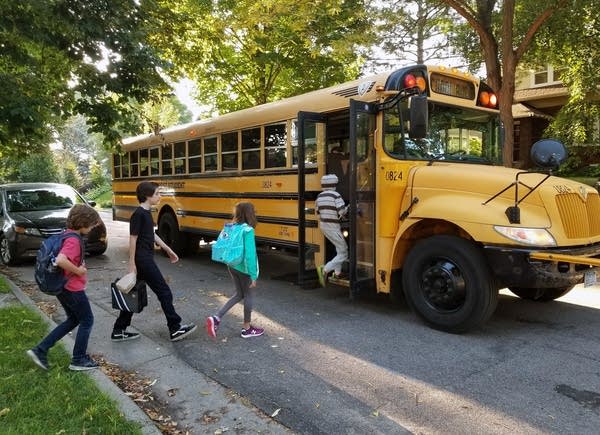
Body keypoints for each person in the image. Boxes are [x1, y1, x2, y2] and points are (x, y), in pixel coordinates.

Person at [111, 181, 197, 342]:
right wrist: (132, 264)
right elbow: (133, 239)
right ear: (147, 196)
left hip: (144, 259)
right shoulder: (138, 214)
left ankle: (119, 329)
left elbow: (152, 235)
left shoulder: (146, 213)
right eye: (157, 193)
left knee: (132, 291)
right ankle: (175, 327)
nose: (160, 196)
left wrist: (168, 249)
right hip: (142, 260)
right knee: (164, 292)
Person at [27, 204, 101, 371]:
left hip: (63, 287)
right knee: (87, 320)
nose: (93, 227)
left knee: (74, 319)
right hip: (72, 288)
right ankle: (79, 359)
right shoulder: (74, 240)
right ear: (83, 223)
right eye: (92, 223)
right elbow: (61, 260)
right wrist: (79, 271)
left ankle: (40, 350)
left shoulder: (66, 234)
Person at [206, 202, 263, 339]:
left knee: (239, 294)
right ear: (250, 214)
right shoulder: (248, 230)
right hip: (244, 268)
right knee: (248, 295)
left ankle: (216, 318)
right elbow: (250, 254)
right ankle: (247, 328)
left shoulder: (232, 228)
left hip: (232, 265)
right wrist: (253, 275)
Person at [315, 174, 348, 287]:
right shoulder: (336, 195)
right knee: (344, 251)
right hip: (333, 227)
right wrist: (348, 208)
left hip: (324, 226)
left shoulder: (319, 196)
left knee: (339, 249)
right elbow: (342, 212)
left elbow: (318, 212)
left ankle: (337, 273)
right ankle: (325, 269)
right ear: (334, 184)